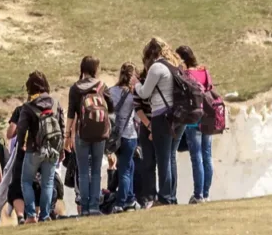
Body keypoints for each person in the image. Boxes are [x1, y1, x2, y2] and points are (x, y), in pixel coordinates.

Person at [136, 37, 185, 205]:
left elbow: (144, 93)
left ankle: (164, 198)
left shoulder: (157, 67)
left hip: (161, 116)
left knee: (163, 158)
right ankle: (171, 195)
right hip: (177, 117)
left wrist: (135, 83)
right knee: (170, 156)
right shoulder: (174, 66)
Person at [65, 56, 114, 216]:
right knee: (97, 170)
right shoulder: (101, 86)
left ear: (82, 69)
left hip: (82, 134)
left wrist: (67, 135)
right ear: (95, 69)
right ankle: (94, 206)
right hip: (100, 133)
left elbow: (71, 114)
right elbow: (112, 107)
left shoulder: (75, 88)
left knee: (84, 170)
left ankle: (84, 207)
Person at [12, 71, 62, 223]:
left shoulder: (28, 107)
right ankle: (45, 215)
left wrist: (20, 145)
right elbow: (62, 125)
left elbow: (21, 129)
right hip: (53, 148)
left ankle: (31, 215)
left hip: (34, 149)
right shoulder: (55, 102)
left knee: (26, 181)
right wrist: (61, 148)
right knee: (48, 182)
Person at [178, 45, 215, 203]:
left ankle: (198, 194)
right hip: (208, 118)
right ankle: (205, 194)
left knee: (197, 157)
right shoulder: (204, 71)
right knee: (207, 156)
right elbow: (210, 90)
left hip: (193, 121)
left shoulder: (185, 74)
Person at [109, 63, 141, 211]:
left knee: (128, 166)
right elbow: (138, 117)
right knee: (125, 169)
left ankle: (130, 197)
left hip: (115, 136)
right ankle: (121, 203)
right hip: (129, 135)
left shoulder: (110, 91)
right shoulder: (133, 94)